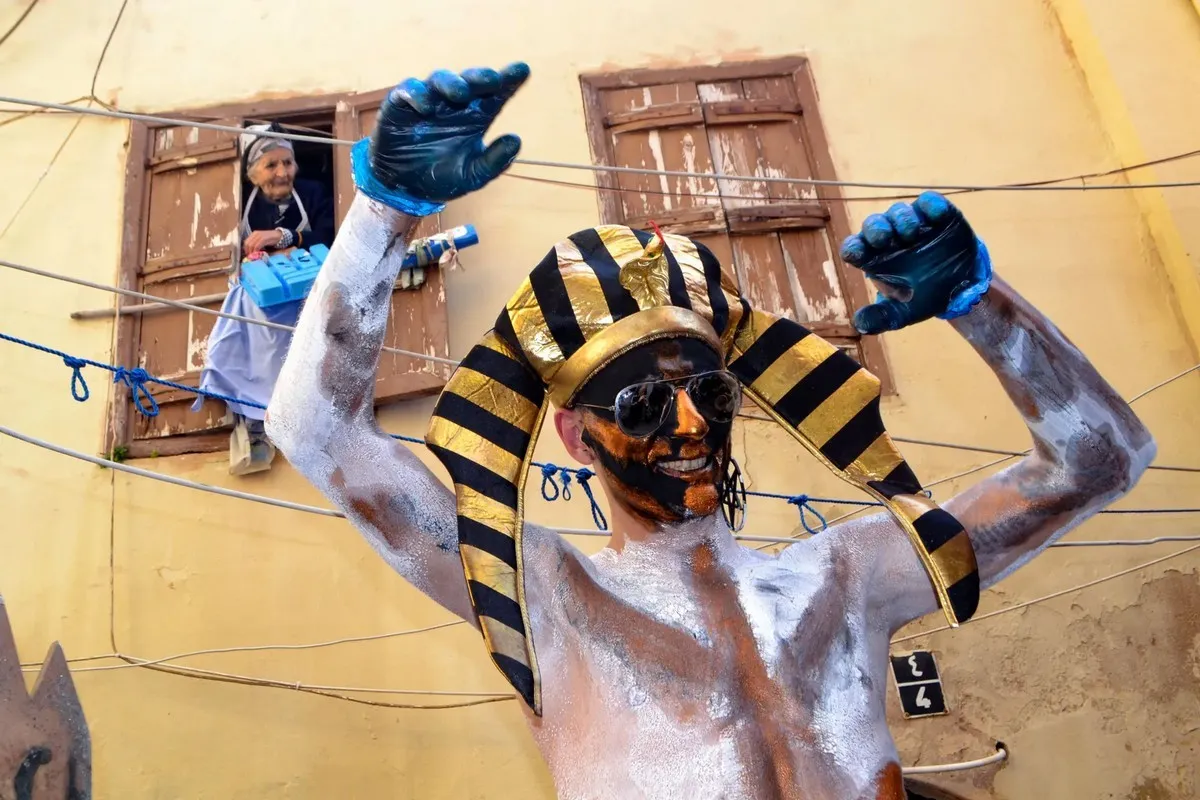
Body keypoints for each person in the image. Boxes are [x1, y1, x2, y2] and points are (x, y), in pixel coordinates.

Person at [265, 64, 1156, 799]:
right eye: (643, 406)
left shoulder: (845, 580)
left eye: (711, 396)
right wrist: (385, 212)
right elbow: (317, 435)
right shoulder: (546, 601)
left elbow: (1104, 460)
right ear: (576, 437)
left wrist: (981, 305)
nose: (691, 423)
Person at [194, 123, 336, 474]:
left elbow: (331, 235)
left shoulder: (313, 192)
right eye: (271, 165)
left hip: (305, 292)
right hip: (263, 298)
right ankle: (257, 422)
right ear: (252, 174)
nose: (282, 173)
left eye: (287, 163)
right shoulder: (240, 202)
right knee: (249, 345)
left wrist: (285, 236)